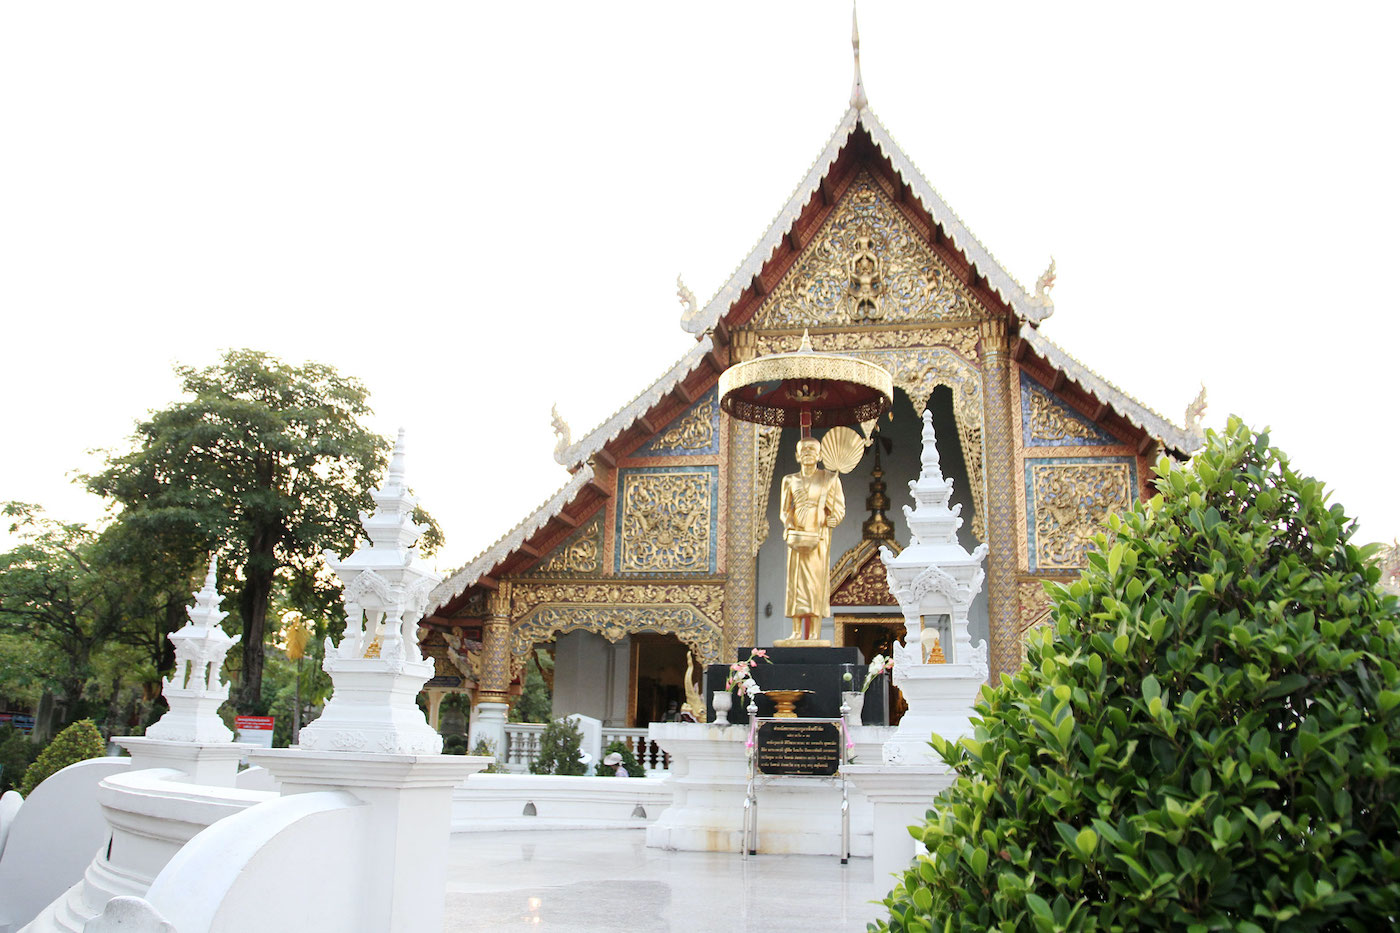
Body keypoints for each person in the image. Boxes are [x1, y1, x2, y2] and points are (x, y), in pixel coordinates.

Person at [779, 436, 846, 641]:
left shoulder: (829, 479)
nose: (808, 453)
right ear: (797, 455)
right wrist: (790, 525)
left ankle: (816, 633)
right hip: (797, 537)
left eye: (812, 449)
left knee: (816, 583)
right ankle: (796, 631)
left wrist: (835, 518)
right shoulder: (789, 480)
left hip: (819, 537)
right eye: (804, 450)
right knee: (796, 582)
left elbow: (839, 508)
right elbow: (784, 511)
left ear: (820, 455)